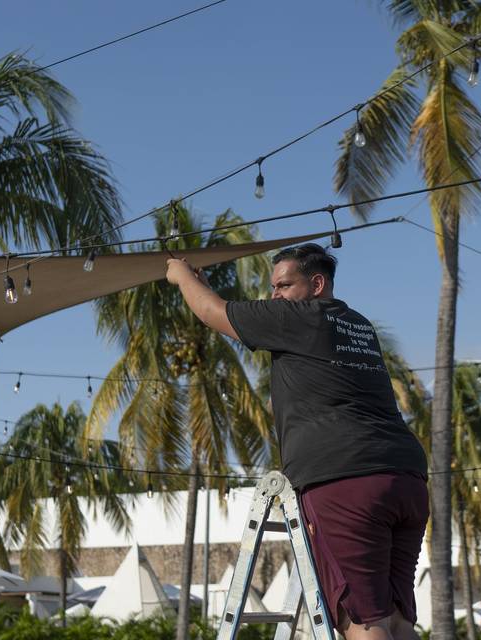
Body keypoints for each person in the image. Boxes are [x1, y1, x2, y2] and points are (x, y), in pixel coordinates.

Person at [166, 243, 429, 640]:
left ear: (317, 284)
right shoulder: (357, 325)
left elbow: (210, 312)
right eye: (273, 287)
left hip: (346, 481)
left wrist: (180, 276)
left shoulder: (301, 317)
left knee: (363, 621)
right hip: (405, 478)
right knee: (395, 618)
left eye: (284, 285)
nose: (275, 296)